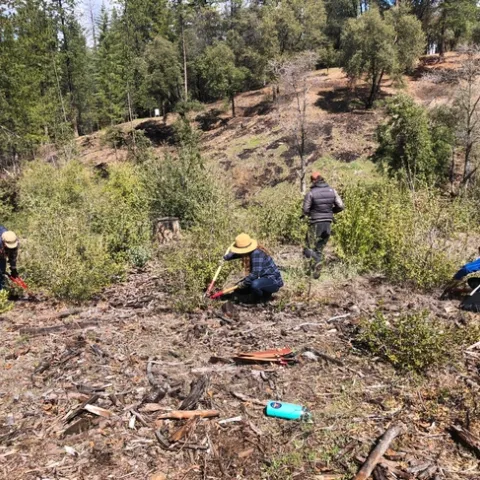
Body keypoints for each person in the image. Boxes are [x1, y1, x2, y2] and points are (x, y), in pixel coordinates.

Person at [302, 172, 344, 278]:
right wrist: (330, 212)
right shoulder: (332, 191)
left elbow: (305, 209)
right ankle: (315, 274)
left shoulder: (311, 193)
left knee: (308, 248)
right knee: (319, 248)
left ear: (313, 181)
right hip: (328, 224)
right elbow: (341, 206)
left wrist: (312, 213)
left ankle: (316, 263)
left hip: (315, 223)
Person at [224, 233, 283, 302]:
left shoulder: (256, 253)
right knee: (238, 290)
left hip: (272, 281)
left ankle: (260, 300)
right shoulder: (248, 252)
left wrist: (244, 283)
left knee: (255, 285)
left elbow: (255, 274)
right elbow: (236, 254)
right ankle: (262, 294)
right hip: (261, 278)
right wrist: (225, 258)